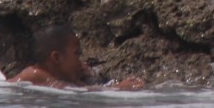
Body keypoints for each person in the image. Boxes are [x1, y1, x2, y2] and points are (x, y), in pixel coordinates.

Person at [8, 22, 143, 89]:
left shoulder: (54, 76)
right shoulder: (34, 74)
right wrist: (117, 88)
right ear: (56, 58)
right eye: (77, 54)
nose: (80, 61)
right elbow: (72, 91)